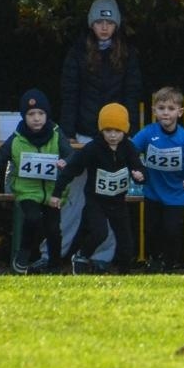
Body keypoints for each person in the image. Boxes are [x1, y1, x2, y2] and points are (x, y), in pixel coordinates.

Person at [59, 0, 144, 265]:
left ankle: (102, 257)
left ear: (116, 24)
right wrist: (68, 133)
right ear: (91, 24)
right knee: (73, 198)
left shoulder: (128, 53)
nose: (104, 27)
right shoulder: (77, 52)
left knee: (111, 198)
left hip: (115, 137)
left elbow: (132, 94)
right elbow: (70, 94)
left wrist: (128, 133)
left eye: (109, 22)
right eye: (98, 22)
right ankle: (55, 252)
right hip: (84, 134)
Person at [0, 88, 72, 274]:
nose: (36, 118)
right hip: (27, 191)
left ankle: (55, 266)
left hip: (53, 191)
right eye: (31, 114)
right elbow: (0, 156)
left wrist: (66, 161)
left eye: (41, 113)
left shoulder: (57, 134)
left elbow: (71, 155)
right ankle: (24, 252)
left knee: (53, 230)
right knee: (33, 218)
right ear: (24, 116)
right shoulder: (17, 138)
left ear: (47, 115)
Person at [53, 102, 145, 274]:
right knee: (99, 232)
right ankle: (81, 256)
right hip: (96, 201)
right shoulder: (92, 148)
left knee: (126, 241)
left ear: (125, 131)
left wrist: (139, 175)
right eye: (108, 130)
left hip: (118, 201)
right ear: (101, 129)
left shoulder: (128, 147)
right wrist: (57, 193)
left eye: (117, 131)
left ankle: (125, 273)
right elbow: (72, 169)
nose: (112, 135)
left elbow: (138, 167)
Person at [132, 86, 184, 271]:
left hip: (176, 193)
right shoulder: (147, 133)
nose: (165, 113)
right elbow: (130, 151)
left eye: (170, 108)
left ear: (180, 112)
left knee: (172, 230)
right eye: (161, 108)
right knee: (151, 229)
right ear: (154, 111)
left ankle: (170, 263)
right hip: (152, 191)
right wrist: (138, 169)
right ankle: (154, 260)